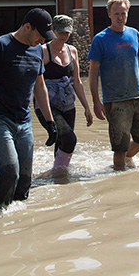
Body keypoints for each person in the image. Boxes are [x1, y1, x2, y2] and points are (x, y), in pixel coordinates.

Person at [0, 8, 57, 208]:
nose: (42, 40)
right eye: (40, 35)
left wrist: (50, 122)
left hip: (24, 120)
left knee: (24, 181)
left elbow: (40, 87)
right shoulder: (0, 46)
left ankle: (16, 223)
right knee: (9, 174)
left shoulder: (38, 51)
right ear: (27, 27)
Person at [87, 0, 139, 170]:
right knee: (119, 146)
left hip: (137, 96)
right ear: (109, 14)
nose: (120, 17)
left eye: (123, 13)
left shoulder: (134, 34)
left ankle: (127, 159)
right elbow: (93, 73)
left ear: (127, 13)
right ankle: (118, 176)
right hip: (115, 100)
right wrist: (96, 101)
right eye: (116, 14)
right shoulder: (100, 39)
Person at [34, 14, 93, 176]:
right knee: (69, 139)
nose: (64, 36)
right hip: (47, 104)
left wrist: (87, 108)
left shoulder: (72, 51)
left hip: (67, 103)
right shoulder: (43, 51)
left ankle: (58, 175)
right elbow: (34, 83)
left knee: (62, 142)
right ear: (53, 30)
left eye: (67, 33)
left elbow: (77, 82)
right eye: (60, 32)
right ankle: (60, 173)